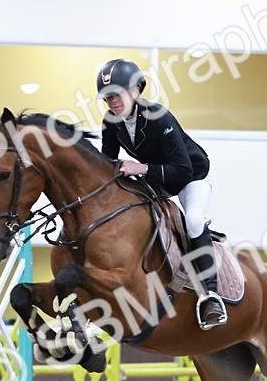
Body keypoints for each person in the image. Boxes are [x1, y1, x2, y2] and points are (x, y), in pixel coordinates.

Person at [96, 58, 226, 330]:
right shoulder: (111, 121)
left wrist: (139, 168)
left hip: (191, 177)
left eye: (117, 94)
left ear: (135, 91)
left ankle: (210, 296)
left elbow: (181, 171)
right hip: (155, 181)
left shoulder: (159, 117)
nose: (112, 102)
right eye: (107, 97)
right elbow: (105, 162)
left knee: (192, 219)